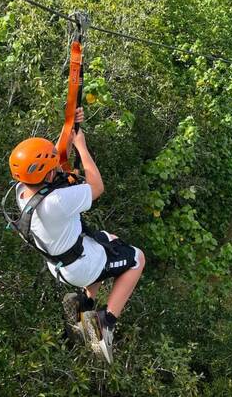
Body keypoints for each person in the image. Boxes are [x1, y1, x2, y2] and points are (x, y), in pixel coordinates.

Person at [8, 108, 145, 363]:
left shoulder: (22, 192)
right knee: (136, 259)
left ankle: (85, 302)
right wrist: (81, 146)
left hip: (59, 263)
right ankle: (105, 324)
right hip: (80, 267)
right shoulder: (58, 201)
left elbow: (55, 160)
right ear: (47, 173)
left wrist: (68, 128)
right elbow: (97, 187)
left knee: (109, 239)